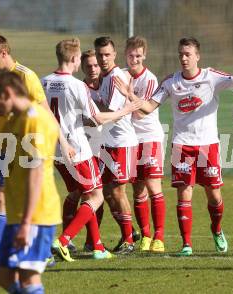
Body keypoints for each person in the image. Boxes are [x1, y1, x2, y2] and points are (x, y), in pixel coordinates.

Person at [114, 37, 233, 256]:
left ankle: (217, 229)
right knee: (184, 195)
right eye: (181, 54)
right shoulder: (171, 82)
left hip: (208, 146)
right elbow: (148, 108)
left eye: (188, 54)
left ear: (197, 56)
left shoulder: (211, 77)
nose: (183, 58)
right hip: (182, 146)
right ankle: (186, 244)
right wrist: (129, 94)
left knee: (214, 195)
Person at [0, 32, 71, 271]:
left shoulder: (26, 76)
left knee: (11, 197)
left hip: (27, 147)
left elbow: (46, 112)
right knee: (10, 198)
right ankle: (40, 253)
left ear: (4, 53)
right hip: (5, 147)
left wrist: (63, 143)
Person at [42, 39, 141, 261]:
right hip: (77, 148)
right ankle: (64, 240)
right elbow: (96, 119)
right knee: (96, 195)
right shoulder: (77, 85)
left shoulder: (44, 82)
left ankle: (97, 246)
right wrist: (126, 109)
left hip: (55, 150)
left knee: (85, 193)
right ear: (75, 59)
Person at [0, 71, 61, 293]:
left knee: (28, 279)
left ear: (7, 93)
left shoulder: (35, 121)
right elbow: (1, 145)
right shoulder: (16, 118)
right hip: (17, 213)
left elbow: (36, 173)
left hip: (35, 214)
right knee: (4, 276)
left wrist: (26, 223)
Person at [94, 36, 139, 254]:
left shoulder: (115, 77)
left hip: (122, 143)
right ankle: (129, 231)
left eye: (107, 55)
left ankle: (129, 240)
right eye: (100, 54)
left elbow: (110, 114)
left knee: (117, 191)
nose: (103, 59)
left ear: (114, 55)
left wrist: (88, 117)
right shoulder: (105, 77)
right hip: (109, 143)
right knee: (107, 192)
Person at [124, 36, 166, 252]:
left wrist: (128, 94)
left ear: (144, 56)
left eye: (138, 55)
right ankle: (146, 235)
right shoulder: (121, 76)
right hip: (131, 140)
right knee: (137, 189)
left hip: (149, 137)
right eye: (131, 55)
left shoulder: (149, 79)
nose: (134, 59)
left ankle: (159, 236)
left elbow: (141, 113)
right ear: (125, 55)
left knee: (152, 186)